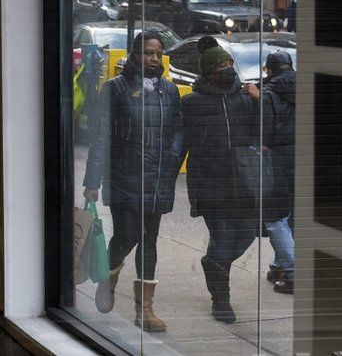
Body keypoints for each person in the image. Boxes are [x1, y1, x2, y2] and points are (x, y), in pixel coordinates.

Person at [82, 31, 184, 332]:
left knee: (149, 241)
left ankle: (145, 309)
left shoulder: (170, 90)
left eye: (157, 53)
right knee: (126, 235)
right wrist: (92, 180)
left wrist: (172, 158)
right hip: (124, 175)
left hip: (158, 178)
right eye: (147, 53)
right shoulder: (115, 88)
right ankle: (107, 279)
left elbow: (179, 129)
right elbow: (100, 135)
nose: (153, 58)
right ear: (134, 54)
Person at [181, 41, 261, 324]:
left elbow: (263, 133)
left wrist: (258, 101)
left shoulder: (243, 99)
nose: (227, 70)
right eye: (220, 67)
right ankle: (221, 300)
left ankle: (213, 263)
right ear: (208, 73)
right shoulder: (192, 103)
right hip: (211, 185)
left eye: (229, 65)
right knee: (224, 239)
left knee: (248, 234)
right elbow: (181, 144)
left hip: (243, 184)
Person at [244, 49, 296, 294]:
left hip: (277, 160)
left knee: (275, 217)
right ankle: (280, 265)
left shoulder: (267, 94)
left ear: (268, 69)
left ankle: (293, 272)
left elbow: (263, 130)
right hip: (303, 159)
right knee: (293, 216)